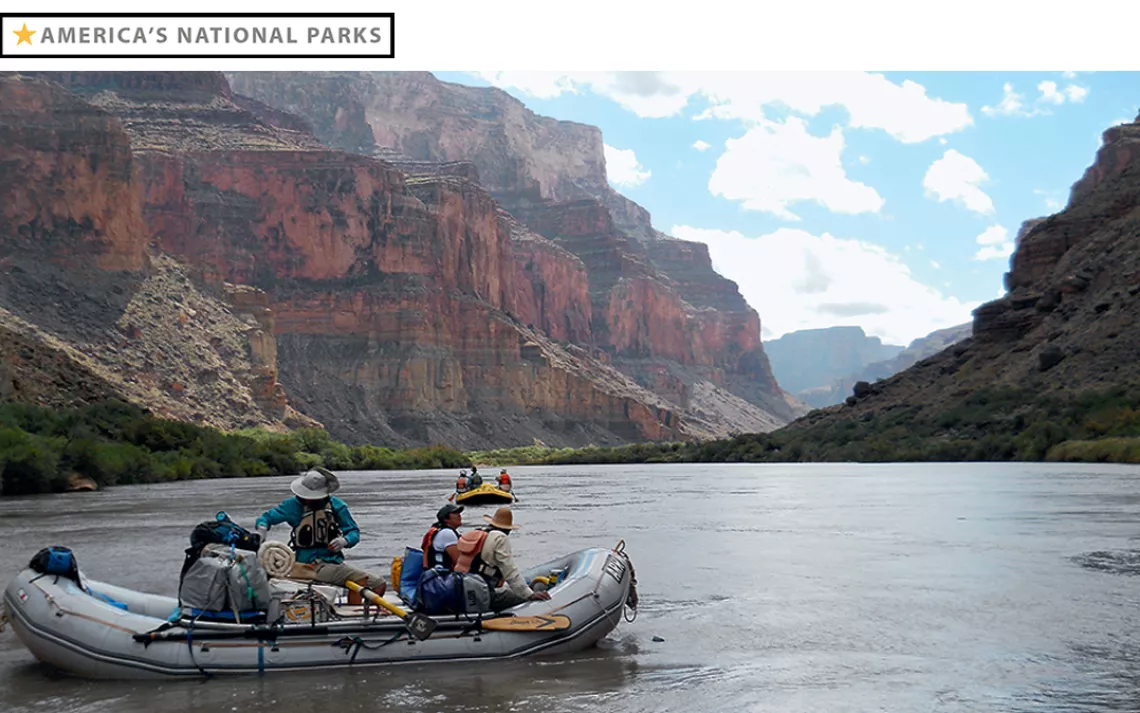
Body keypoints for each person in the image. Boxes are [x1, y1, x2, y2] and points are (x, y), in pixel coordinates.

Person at [255, 467, 385, 604]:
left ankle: (359, 609)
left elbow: (353, 532)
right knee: (377, 583)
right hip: (306, 565)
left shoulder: (337, 506)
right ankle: (358, 608)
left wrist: (345, 541)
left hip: (331, 563)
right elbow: (266, 518)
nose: (307, 500)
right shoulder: (292, 505)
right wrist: (261, 530)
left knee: (377, 584)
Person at [453, 506, 550, 611]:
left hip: (461, 588)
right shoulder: (500, 538)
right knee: (524, 600)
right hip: (485, 593)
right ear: (508, 529)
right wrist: (529, 595)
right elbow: (510, 571)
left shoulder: (478, 534)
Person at [421, 503, 463, 570]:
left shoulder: (442, 530)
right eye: (455, 513)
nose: (459, 515)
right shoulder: (447, 533)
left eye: (459, 513)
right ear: (446, 519)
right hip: (442, 574)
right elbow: (459, 561)